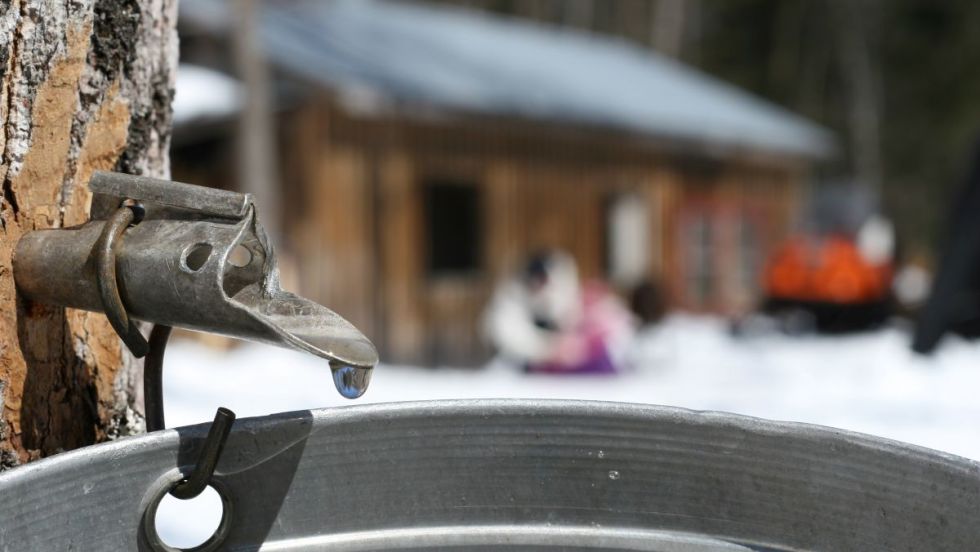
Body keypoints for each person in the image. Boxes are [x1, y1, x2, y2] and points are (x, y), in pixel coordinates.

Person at [482, 250, 634, 374]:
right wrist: (551, 350)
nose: (542, 289)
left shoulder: (580, 305)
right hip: (526, 369)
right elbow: (512, 337)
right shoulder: (512, 301)